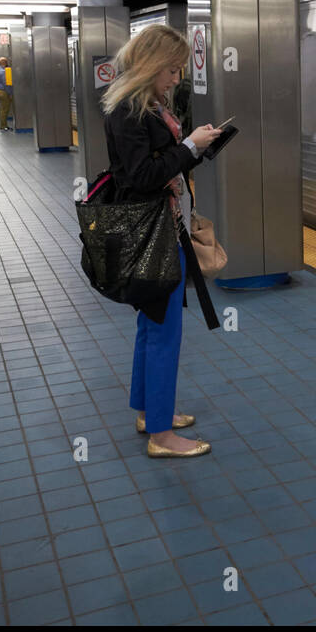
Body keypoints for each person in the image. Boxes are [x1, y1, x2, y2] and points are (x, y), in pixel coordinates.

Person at [101, 25, 223, 458]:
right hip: (152, 232)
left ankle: (150, 412)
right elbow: (141, 175)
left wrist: (198, 147)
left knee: (150, 326)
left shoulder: (145, 105)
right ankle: (161, 436)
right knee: (164, 330)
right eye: (171, 69)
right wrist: (189, 145)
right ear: (151, 64)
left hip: (161, 226)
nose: (176, 78)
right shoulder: (130, 111)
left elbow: (161, 163)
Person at [0, 56, 13, 131]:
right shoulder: (4, 71)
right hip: (4, 92)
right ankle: (3, 126)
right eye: (6, 61)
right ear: (4, 62)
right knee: (5, 110)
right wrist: (10, 93)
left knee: (3, 109)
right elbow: (6, 84)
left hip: (0, 91)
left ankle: (3, 125)